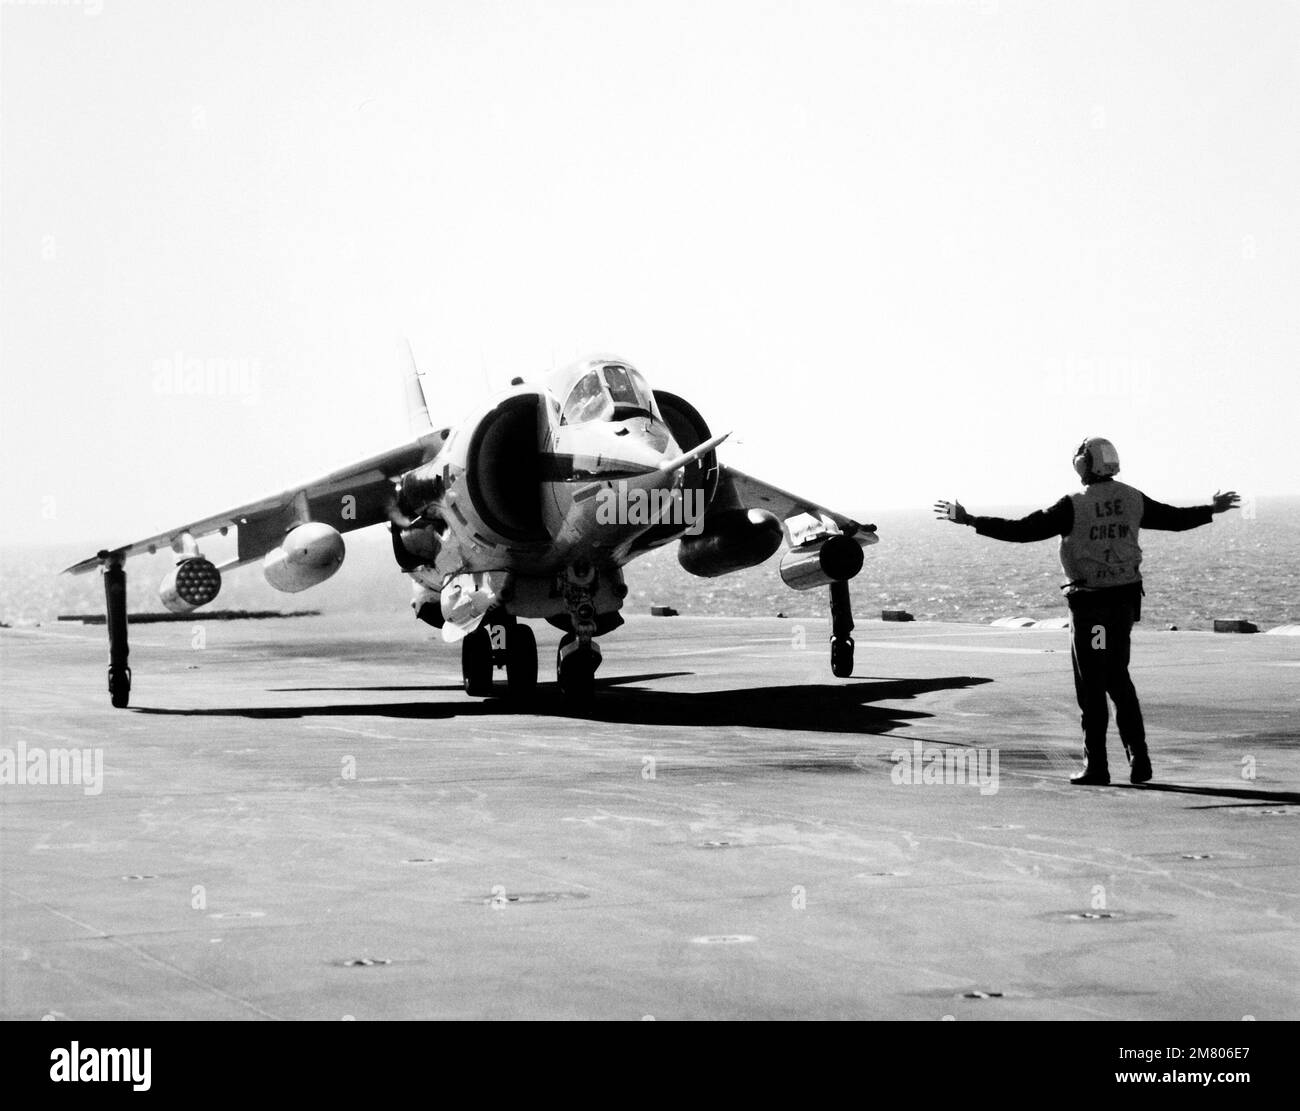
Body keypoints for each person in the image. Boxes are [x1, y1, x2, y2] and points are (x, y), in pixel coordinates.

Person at [934, 438, 1239, 786]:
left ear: (1084, 464)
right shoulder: (1132, 497)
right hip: (1124, 603)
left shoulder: (1073, 505)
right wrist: (1211, 509)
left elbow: (1023, 531)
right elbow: (1174, 518)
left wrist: (971, 519)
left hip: (1091, 606)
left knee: (1092, 686)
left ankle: (1097, 766)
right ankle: (1139, 757)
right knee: (1119, 679)